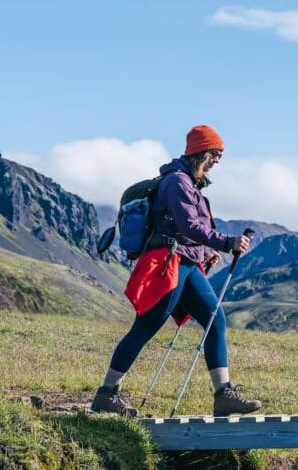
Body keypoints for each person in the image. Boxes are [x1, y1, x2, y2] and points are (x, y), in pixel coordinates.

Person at [91, 125, 262, 417]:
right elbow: (188, 227)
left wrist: (205, 252)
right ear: (200, 153)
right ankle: (107, 393)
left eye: (219, 155)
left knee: (214, 318)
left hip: (185, 261)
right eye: (215, 154)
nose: (218, 160)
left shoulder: (189, 184)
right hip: (168, 263)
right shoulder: (177, 183)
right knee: (146, 326)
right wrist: (226, 242)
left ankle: (224, 394)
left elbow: (189, 231)